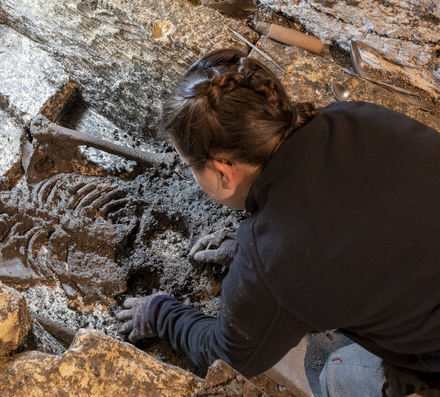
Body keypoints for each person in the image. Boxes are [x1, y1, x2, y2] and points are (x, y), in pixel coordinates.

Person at [116, 48, 440, 396]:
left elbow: (226, 355)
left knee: (335, 376)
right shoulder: (352, 116)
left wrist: (162, 315)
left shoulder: (277, 260)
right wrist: (256, 254)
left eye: (189, 166)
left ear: (223, 172)